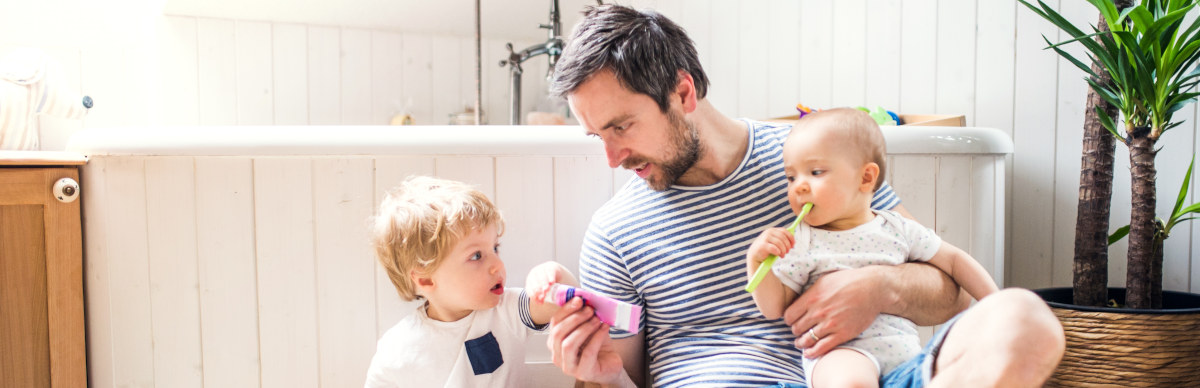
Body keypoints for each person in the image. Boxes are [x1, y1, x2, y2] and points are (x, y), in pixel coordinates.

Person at [544, 4, 1065, 388]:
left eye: (622, 127)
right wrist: (598, 376)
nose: (612, 158)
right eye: (598, 137)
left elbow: (950, 292)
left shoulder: (814, 163)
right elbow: (616, 377)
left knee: (1024, 318)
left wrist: (880, 287)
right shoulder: (614, 233)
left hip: (875, 373)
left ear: (683, 93)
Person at [746, 108, 1000, 387]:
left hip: (907, 357)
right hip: (840, 355)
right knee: (852, 380)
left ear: (866, 178)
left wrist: (997, 306)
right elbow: (773, 308)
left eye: (815, 172)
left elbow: (954, 261)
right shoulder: (802, 241)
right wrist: (757, 263)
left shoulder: (898, 228)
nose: (799, 187)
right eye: (791, 177)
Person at [364, 176, 579, 387]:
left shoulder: (507, 309)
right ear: (426, 279)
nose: (498, 265)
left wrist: (552, 275)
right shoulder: (398, 348)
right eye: (476, 255)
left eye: (495, 248)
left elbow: (567, 301)